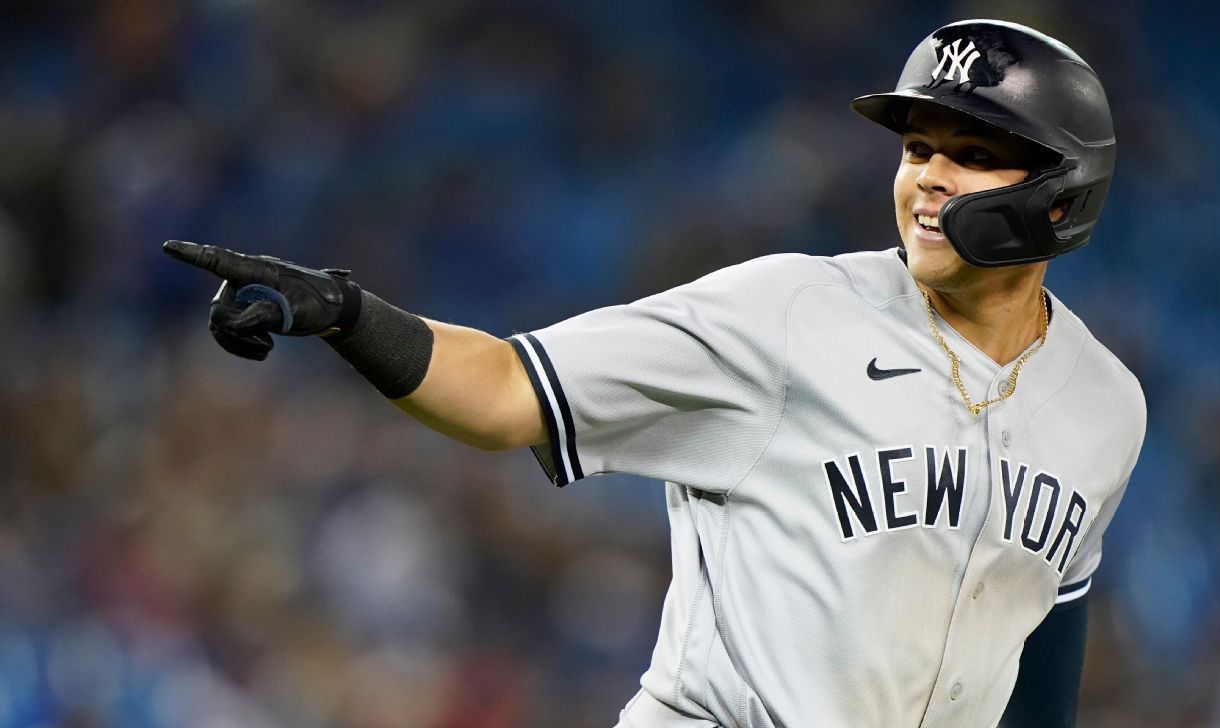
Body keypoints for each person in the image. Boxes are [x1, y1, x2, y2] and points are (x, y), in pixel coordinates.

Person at [164, 18, 1144, 728]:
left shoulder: (1106, 405)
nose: (927, 175)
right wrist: (345, 312)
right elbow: (509, 388)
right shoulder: (790, 312)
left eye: (971, 155)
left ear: (1060, 194)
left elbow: (1041, 648)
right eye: (918, 146)